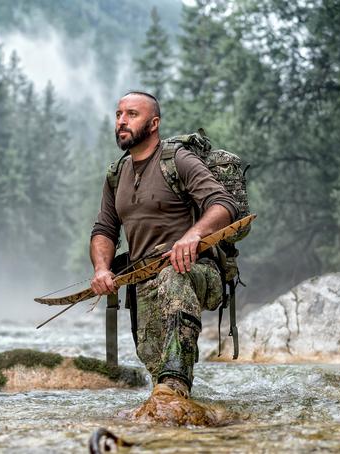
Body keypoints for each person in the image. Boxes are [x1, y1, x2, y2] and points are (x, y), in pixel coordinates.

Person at [89, 91, 239, 399]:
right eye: (118, 115)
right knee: (156, 364)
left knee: (174, 279)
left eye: (132, 114)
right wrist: (102, 269)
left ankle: (175, 391)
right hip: (142, 281)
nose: (121, 122)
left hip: (194, 271)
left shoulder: (178, 160)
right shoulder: (116, 175)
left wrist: (193, 235)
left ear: (154, 123)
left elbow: (223, 204)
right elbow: (104, 228)